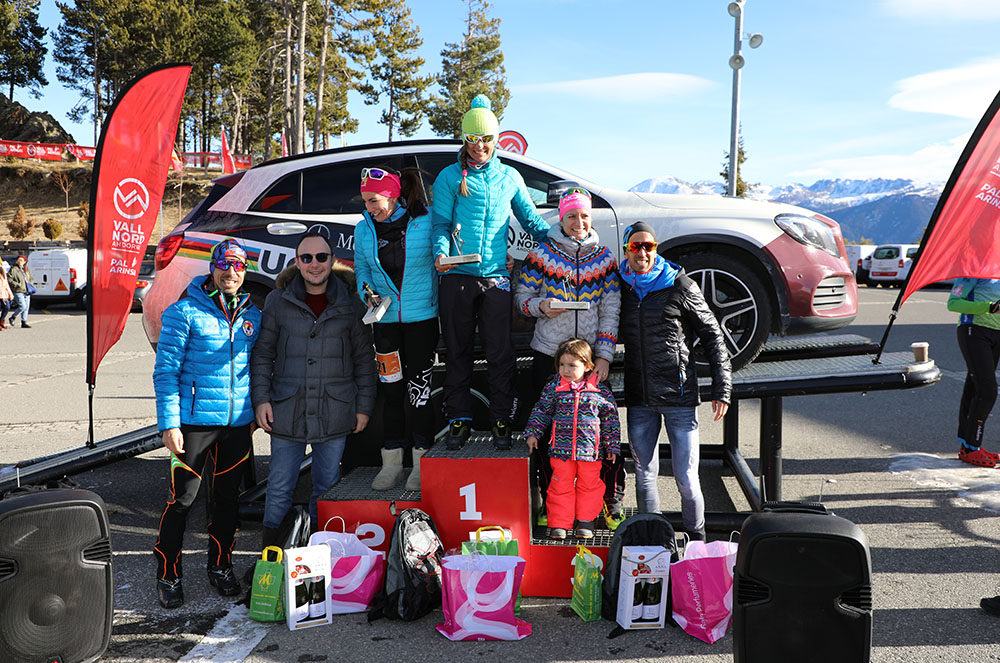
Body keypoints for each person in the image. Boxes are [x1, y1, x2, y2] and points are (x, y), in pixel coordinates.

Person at [432, 94, 551, 450]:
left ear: (495, 140)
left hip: (497, 277)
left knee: (500, 352)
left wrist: (559, 245)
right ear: (464, 139)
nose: (480, 145)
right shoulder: (450, 176)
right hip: (457, 278)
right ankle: (458, 419)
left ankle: (501, 417)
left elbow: (530, 219)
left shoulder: (510, 177)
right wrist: (441, 253)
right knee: (458, 351)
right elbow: (440, 223)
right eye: (473, 138)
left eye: (486, 139)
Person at [152, 239, 261, 609]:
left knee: (227, 501)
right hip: (193, 425)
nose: (231, 272)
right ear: (212, 268)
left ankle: (221, 566)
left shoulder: (252, 315)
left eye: (239, 267)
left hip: (236, 426)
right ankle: (168, 573)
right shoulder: (183, 312)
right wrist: (169, 423)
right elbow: (165, 372)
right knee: (181, 499)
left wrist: (255, 412)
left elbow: (258, 370)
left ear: (245, 272)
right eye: (224, 265)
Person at [252, 231, 376, 546]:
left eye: (321, 257)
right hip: (286, 409)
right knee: (279, 487)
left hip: (335, 410)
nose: (314, 264)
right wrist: (261, 400)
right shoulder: (278, 301)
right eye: (306, 258)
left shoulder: (350, 303)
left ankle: (318, 555)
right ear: (297, 262)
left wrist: (363, 407)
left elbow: (364, 359)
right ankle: (273, 556)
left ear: (332, 261)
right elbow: (263, 354)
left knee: (327, 486)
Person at [513, 186, 624, 528]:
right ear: (561, 218)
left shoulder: (604, 258)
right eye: (572, 215)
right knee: (547, 436)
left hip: (588, 359)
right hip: (549, 355)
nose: (579, 222)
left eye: (584, 215)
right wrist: (539, 307)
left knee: (597, 436)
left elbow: (611, 308)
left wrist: (604, 355)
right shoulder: (542, 254)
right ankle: (550, 504)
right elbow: (521, 297)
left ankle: (602, 505)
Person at [617, 222, 732, 541]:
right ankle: (652, 542)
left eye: (648, 246)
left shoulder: (680, 284)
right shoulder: (619, 286)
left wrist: (722, 387)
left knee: (686, 478)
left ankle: (697, 540)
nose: (642, 252)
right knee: (643, 475)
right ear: (626, 250)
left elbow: (713, 336)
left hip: (679, 396)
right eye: (636, 246)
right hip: (640, 398)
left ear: (655, 249)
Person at [353, 166, 439, 491]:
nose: (369, 208)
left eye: (374, 200)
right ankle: (391, 463)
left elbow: (445, 255)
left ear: (392, 195)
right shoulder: (364, 229)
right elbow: (361, 267)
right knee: (391, 392)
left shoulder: (425, 221)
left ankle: (420, 463)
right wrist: (366, 291)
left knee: (419, 394)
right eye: (365, 201)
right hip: (384, 322)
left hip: (421, 320)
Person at [523, 339, 620, 540]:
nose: (566, 370)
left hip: (590, 453)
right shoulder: (554, 388)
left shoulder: (599, 391)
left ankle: (586, 520)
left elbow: (611, 420)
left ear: (588, 366)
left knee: (590, 486)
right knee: (559, 486)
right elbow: (541, 410)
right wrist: (533, 433)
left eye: (572, 365)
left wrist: (612, 446)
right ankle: (559, 522)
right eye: (562, 365)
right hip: (560, 451)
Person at [947, 278, 1000, 468]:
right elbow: (953, 304)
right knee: (987, 391)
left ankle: (968, 445)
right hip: (974, 331)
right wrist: (990, 307)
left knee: (974, 389)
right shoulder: (973, 272)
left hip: (996, 334)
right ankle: (972, 448)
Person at [7, 254, 32, 328]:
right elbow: (9, 279)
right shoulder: (14, 269)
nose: (20, 261)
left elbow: (31, 278)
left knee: (26, 307)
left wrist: (30, 283)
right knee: (22, 306)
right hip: (18, 290)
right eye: (19, 260)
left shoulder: (26, 270)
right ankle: (13, 317)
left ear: (25, 262)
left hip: (27, 290)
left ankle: (24, 322)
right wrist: (17, 284)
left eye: (21, 260)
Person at [0, 260, 13, 330]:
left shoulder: (4, 276)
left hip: (4, 295)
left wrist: (10, 294)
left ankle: (1, 321)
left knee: (7, 308)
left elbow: (6, 285)